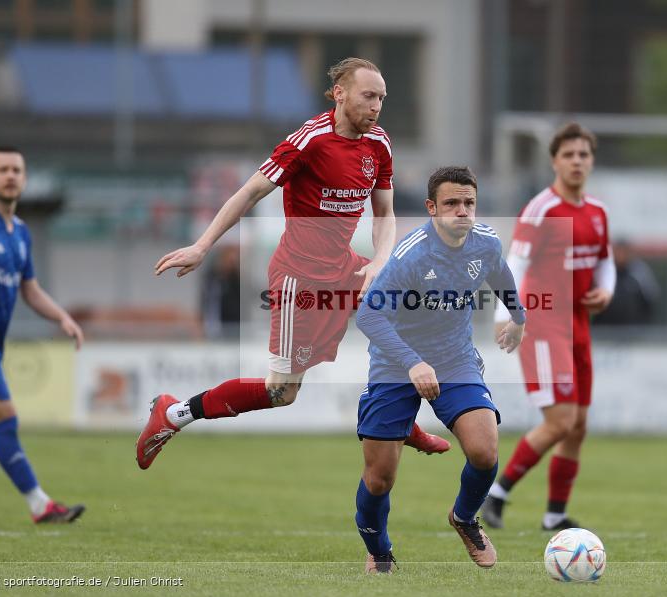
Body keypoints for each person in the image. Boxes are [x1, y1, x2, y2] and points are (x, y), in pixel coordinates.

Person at [136, 57, 448, 469]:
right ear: (339, 93)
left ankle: (399, 423)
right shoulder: (309, 141)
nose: (376, 106)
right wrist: (202, 245)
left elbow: (385, 214)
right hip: (298, 279)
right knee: (280, 393)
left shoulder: (379, 144)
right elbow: (248, 193)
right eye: (368, 96)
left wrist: (380, 262)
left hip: (345, 267)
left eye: (382, 99)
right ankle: (174, 415)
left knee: (409, 319)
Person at [353, 166, 526, 573]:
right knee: (379, 478)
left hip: (454, 359)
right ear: (432, 208)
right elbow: (368, 317)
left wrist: (517, 316)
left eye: (468, 203)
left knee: (484, 451)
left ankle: (464, 517)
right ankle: (379, 549)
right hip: (397, 363)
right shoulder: (410, 254)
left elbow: (499, 273)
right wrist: (412, 362)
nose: (461, 211)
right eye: (451, 203)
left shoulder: (485, 242)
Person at [482, 123, 615, 531]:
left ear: (591, 161)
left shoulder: (598, 212)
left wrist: (606, 291)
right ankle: (495, 495)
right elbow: (515, 264)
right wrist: (506, 316)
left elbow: (605, 261)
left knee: (578, 426)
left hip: (577, 325)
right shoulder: (541, 209)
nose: (577, 161)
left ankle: (554, 514)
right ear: (555, 160)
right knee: (560, 422)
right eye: (569, 154)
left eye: (584, 155)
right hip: (541, 324)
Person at [0, 146, 85, 523]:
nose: (11, 175)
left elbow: (29, 288)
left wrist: (61, 317)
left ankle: (40, 505)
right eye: (3, 169)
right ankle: (39, 504)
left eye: (17, 169)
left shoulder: (21, 233)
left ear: (24, 179)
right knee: (2, 413)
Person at [593, 239, 660, 326]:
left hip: (633, 331)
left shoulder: (639, 272)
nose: (621, 255)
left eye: (624, 251)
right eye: (618, 251)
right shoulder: (605, 273)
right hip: (606, 329)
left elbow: (650, 300)